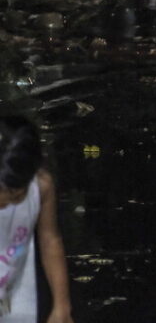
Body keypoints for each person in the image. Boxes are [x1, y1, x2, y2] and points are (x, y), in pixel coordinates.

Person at [0, 115, 74, 323]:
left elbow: (50, 240)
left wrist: (62, 306)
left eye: (15, 195)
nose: (5, 203)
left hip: (13, 298)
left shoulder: (41, 187)